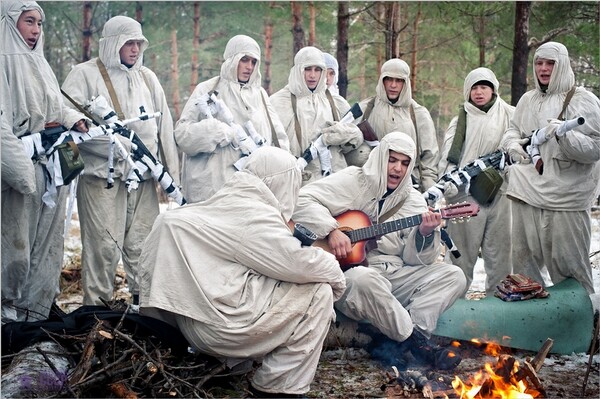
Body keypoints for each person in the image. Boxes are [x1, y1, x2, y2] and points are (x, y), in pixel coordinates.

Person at [138, 146, 346, 397]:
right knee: (319, 292)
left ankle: (234, 367)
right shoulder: (254, 213)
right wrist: (337, 276)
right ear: (282, 180)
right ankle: (278, 387)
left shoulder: (227, 201)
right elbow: (301, 264)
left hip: (192, 323)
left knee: (267, 279)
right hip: (221, 331)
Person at [292, 132, 467, 370]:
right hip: (353, 277)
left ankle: (396, 341)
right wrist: (332, 230)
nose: (397, 169)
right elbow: (300, 200)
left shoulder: (412, 200)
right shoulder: (352, 180)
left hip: (394, 276)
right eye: (392, 160)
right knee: (362, 279)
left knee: (454, 276)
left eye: (405, 163)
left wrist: (425, 233)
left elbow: (417, 261)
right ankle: (418, 344)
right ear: (380, 157)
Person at [61, 15, 180, 306]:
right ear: (113, 43)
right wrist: (84, 126)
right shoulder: (84, 74)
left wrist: (171, 178)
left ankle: (145, 309)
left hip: (143, 179)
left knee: (145, 246)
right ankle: (96, 316)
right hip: (102, 178)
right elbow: (63, 112)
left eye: (139, 42)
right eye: (129, 42)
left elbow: (165, 129)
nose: (135, 49)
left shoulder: (148, 78)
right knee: (102, 249)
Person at [1, 0, 89, 322]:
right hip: (23, 169)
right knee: (15, 246)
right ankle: (7, 316)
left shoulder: (41, 62)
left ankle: (36, 314)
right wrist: (21, 173)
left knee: (48, 246)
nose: (36, 30)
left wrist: (74, 118)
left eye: (39, 23)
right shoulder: (3, 62)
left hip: (53, 166)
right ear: (10, 22)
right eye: (29, 22)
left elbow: (53, 105)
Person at [500, 42, 600, 295]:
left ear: (563, 64)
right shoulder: (528, 99)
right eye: (539, 63)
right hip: (526, 193)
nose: (543, 69)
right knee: (524, 272)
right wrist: (513, 144)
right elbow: (514, 130)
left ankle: (583, 328)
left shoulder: (583, 101)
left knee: (571, 272)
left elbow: (595, 149)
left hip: (566, 200)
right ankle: (531, 327)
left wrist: (563, 135)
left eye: (550, 63)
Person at [175, 34, 290, 203]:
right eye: (244, 60)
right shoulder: (207, 89)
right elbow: (182, 135)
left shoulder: (260, 95)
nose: (249, 67)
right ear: (232, 59)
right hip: (212, 193)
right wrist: (214, 131)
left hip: (252, 193)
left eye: (253, 62)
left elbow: (279, 140)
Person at [437, 67, 515, 296]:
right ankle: (452, 304)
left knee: (500, 257)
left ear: (493, 89)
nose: (479, 92)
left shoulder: (511, 114)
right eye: (474, 88)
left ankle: (499, 311)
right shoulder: (459, 120)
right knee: (461, 256)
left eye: (484, 87)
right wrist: (449, 179)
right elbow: (448, 155)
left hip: (501, 196)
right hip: (466, 196)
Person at [270, 46, 363, 185]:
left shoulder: (336, 101)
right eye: (307, 69)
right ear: (298, 70)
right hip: (299, 182)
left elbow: (358, 141)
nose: (312, 75)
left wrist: (349, 134)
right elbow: (270, 147)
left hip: (336, 180)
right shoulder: (278, 101)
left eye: (317, 69)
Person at [347, 59, 439, 193]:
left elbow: (429, 157)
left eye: (399, 80)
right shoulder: (365, 109)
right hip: (368, 188)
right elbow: (346, 147)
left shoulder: (419, 114)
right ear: (382, 80)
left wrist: (428, 189)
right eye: (388, 79)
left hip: (408, 188)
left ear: (406, 83)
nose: (393, 85)